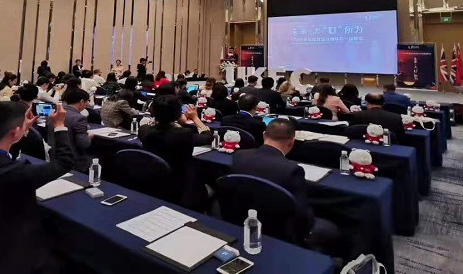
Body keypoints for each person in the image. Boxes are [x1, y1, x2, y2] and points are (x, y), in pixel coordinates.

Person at [0, 101, 74, 274]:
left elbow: (6, 148)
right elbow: (65, 162)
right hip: (14, 255)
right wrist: (60, 126)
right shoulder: (18, 173)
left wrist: (20, 131)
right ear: (15, 132)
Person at [231, 118, 343, 256]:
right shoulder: (292, 169)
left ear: (264, 135)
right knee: (330, 228)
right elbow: (301, 215)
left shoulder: (239, 156)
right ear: (292, 142)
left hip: (240, 218)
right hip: (280, 228)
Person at [139, 95, 212, 208]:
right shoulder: (183, 134)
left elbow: (157, 127)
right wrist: (195, 118)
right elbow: (207, 137)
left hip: (155, 182)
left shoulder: (144, 130)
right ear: (178, 114)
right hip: (183, 186)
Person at [49, 88, 91, 172]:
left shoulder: (54, 114)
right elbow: (83, 144)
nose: (88, 104)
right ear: (82, 101)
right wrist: (88, 136)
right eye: (87, 101)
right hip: (73, 159)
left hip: (53, 155)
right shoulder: (79, 118)